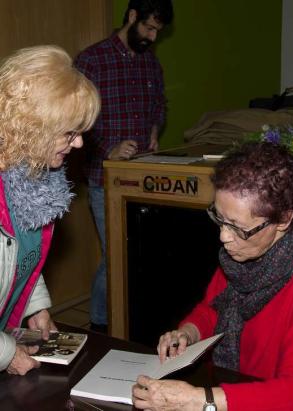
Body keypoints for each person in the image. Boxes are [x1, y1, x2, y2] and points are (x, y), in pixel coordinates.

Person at [132, 142, 293, 411]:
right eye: (220, 219)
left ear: (283, 220)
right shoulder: (246, 253)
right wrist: (187, 333)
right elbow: (213, 309)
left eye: (237, 227)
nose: (224, 237)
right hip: (230, 388)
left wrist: (199, 400)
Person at [74, 0, 174, 332]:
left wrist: (154, 129)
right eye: (148, 27)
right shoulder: (91, 60)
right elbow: (75, 120)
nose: (153, 37)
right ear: (131, 16)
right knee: (116, 256)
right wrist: (109, 149)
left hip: (145, 176)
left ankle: (135, 323)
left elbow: (160, 102)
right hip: (105, 179)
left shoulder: (151, 63)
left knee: (144, 254)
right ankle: (100, 326)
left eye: (158, 31)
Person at [0, 45, 100, 375]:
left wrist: (37, 307)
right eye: (69, 133)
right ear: (32, 128)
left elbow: (19, 257)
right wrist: (6, 355)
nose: (79, 144)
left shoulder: (36, 182)